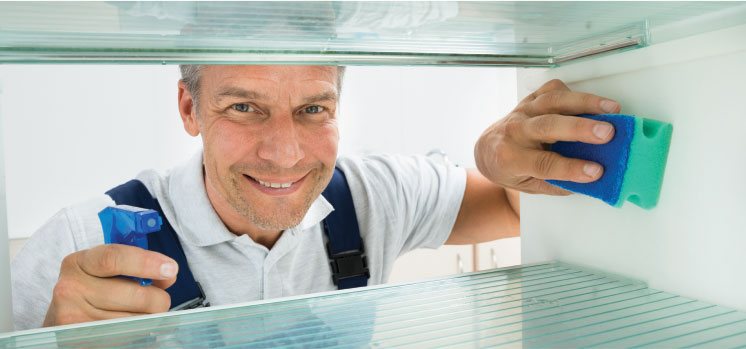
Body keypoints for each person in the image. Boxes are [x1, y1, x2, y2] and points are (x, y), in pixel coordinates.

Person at [11, 65, 620, 330]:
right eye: (244, 107)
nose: (285, 153)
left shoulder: (374, 194)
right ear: (189, 108)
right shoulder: (81, 239)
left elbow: (517, 209)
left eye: (313, 109)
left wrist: (499, 158)